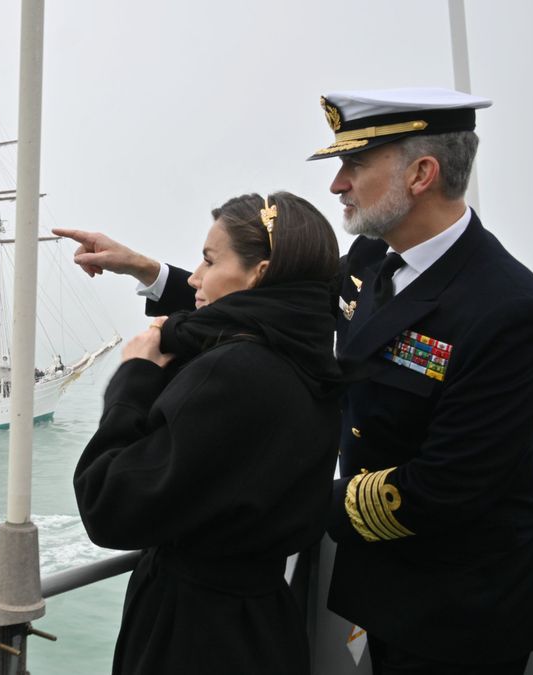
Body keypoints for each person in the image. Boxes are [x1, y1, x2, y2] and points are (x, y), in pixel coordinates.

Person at [59, 87, 533, 674]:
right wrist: (148, 271)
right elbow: (277, 305)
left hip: (464, 600)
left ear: (422, 174)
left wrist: (272, 501)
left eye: (354, 165)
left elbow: (448, 485)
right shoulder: (373, 262)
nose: (337, 185)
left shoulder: (505, 307)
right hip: (378, 577)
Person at [72, 192, 342, 674]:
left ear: (259, 274)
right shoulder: (311, 358)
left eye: (209, 260)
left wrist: (133, 378)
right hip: (264, 623)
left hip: (193, 635)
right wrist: (141, 267)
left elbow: (107, 504)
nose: (194, 276)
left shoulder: (231, 373)